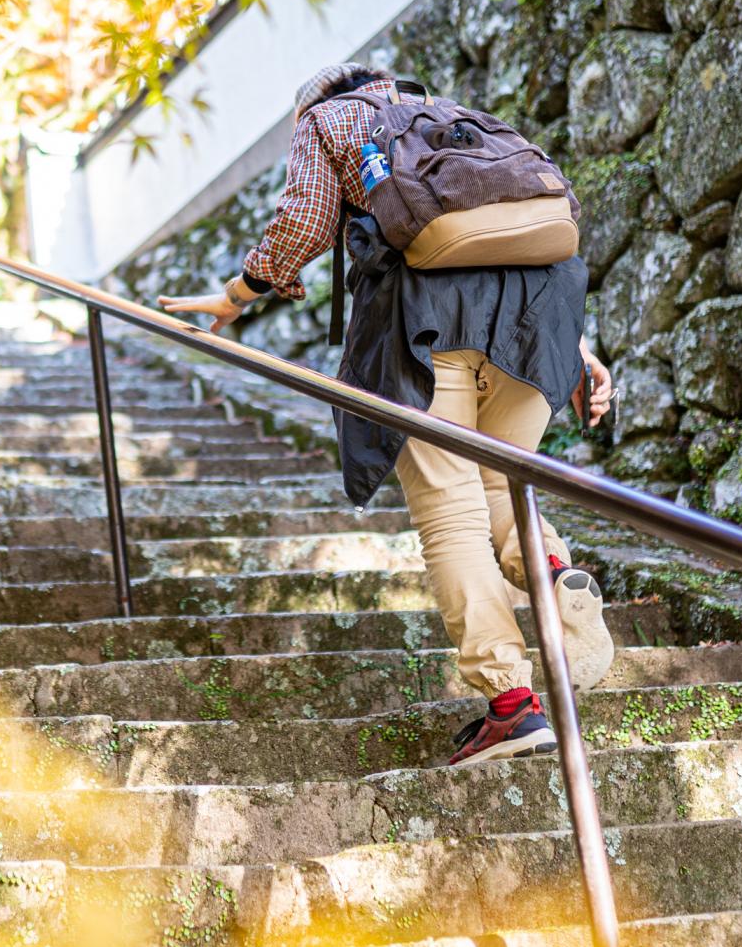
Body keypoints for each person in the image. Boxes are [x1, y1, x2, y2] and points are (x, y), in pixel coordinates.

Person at [160, 63, 616, 766]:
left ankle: (513, 707)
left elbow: (306, 220)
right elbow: (524, 224)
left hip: (427, 326)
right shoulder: (449, 112)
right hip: (537, 319)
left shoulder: (327, 121)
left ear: (312, 105)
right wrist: (576, 347)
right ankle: (554, 576)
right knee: (503, 484)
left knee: (453, 510)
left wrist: (237, 293)